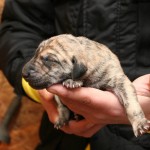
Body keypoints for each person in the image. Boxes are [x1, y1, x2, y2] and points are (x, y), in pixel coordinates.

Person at [0, 0, 150, 150]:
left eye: (49, 61)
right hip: (62, 137)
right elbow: (19, 26)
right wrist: (41, 91)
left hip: (137, 139)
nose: (26, 70)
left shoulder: (103, 66)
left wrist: (146, 111)